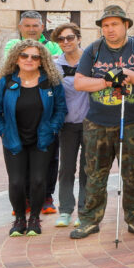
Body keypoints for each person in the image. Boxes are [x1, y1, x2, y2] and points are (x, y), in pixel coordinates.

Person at [71, 5, 134, 239]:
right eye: (105, 25)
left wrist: (127, 74)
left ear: (126, 25)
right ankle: (89, 219)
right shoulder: (94, 50)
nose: (109, 29)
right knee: (94, 173)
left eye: (114, 24)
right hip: (97, 123)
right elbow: (79, 83)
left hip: (133, 123)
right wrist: (108, 81)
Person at [0, 40, 67, 237]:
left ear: (42, 61)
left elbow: (60, 109)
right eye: (24, 55)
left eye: (35, 56)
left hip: (42, 140)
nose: (29, 60)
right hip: (14, 139)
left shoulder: (51, 82)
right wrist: (3, 131)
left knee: (39, 181)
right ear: (16, 58)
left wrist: (52, 129)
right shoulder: (5, 83)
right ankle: (19, 220)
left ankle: (34, 219)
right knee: (16, 182)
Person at [0, 10, 63, 214]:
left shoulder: (54, 44)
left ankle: (46, 196)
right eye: (27, 25)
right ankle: (24, 198)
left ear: (42, 27)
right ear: (20, 27)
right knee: (22, 160)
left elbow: (55, 69)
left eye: (35, 25)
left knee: (51, 159)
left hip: (46, 109)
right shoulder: (12, 46)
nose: (31, 29)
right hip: (20, 110)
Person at [51, 23, 89, 228]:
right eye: (61, 39)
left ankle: (84, 210)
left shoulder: (90, 61)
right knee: (66, 168)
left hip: (90, 123)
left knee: (87, 168)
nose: (66, 42)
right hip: (66, 125)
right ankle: (65, 210)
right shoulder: (55, 65)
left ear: (79, 38)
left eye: (70, 37)